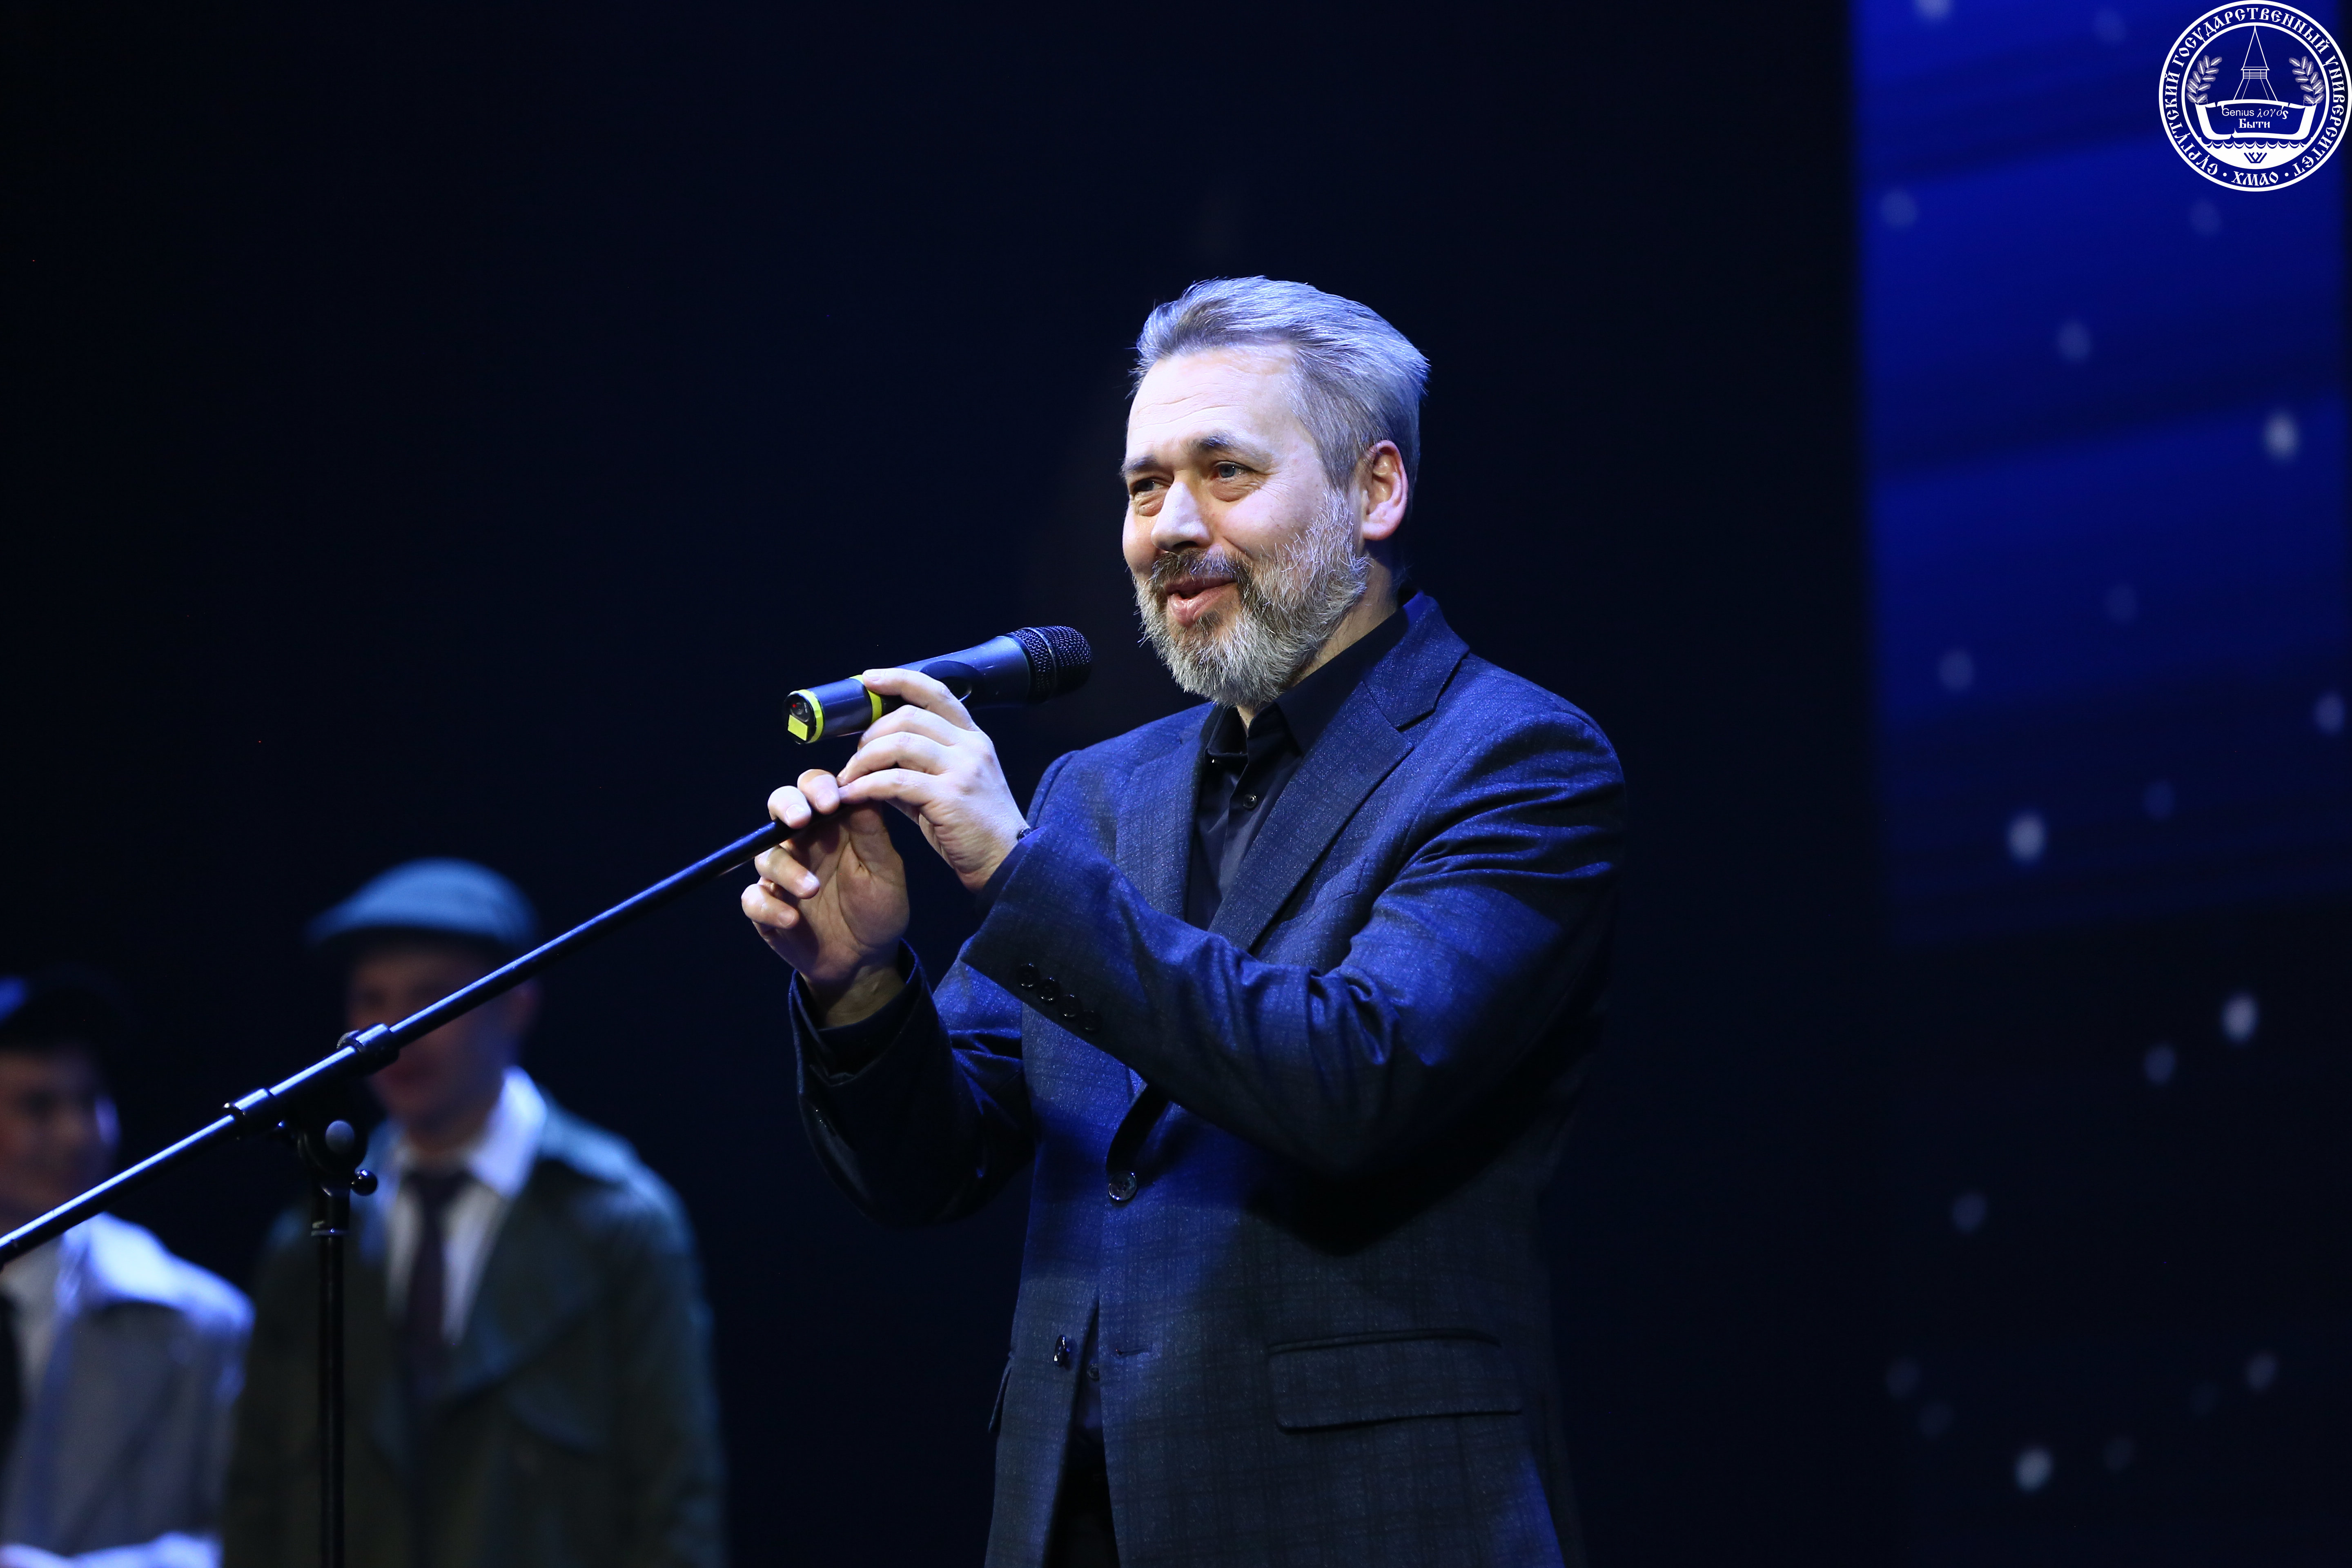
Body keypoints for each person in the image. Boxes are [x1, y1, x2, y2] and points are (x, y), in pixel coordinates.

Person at [742, 278, 1625, 1567]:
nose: (1171, 527)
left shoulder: (1516, 759)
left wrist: (1018, 872)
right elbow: (937, 1168)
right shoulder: (1099, 794)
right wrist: (861, 983)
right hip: (1077, 1525)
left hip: (1369, 1523)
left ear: (1376, 491)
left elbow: (1355, 1077)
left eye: (1226, 472)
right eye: (1145, 486)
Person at [223, 860, 726, 1568]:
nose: (392, 1033)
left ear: (514, 1005)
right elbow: (255, 1498)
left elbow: (676, 1499)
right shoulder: (316, 1231)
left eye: (431, 999)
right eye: (371, 999)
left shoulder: (616, 1221)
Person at [0, 970, 250, 1568]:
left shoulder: (204, 1324)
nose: (78, 1134)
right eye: (38, 1106)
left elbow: (262, 1534)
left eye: (90, 1101)